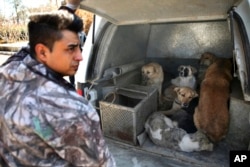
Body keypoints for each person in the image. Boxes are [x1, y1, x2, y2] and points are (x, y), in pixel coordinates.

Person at [0, 10, 116, 167]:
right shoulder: (73, 111)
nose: (80, 56)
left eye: (79, 47)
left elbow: (35, 42)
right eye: (71, 48)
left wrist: (69, 8)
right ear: (42, 52)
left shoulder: (8, 72)